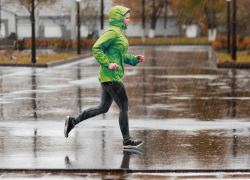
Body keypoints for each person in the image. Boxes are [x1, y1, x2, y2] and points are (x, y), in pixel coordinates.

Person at [64, 6, 144, 149]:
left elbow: (119, 56)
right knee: (124, 105)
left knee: (103, 108)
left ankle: (73, 121)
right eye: (127, 18)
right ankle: (127, 140)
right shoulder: (113, 32)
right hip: (111, 77)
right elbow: (96, 48)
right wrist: (108, 64)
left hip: (109, 77)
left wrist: (134, 59)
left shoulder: (118, 33)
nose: (129, 20)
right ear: (119, 18)